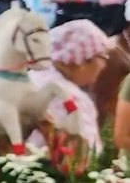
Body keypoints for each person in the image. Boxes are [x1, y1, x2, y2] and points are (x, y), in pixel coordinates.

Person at [27, 19, 110, 152]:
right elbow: (87, 155)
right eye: (102, 57)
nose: (103, 66)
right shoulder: (70, 98)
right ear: (81, 61)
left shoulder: (32, 77)